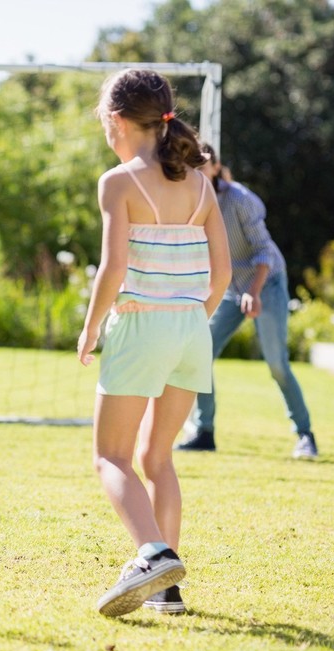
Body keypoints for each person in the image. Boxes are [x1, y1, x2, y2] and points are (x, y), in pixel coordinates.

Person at [77, 69, 231, 617]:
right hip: (193, 330)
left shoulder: (117, 182)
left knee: (110, 456)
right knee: (158, 457)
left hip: (142, 328)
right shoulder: (201, 184)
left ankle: (152, 554)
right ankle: (167, 588)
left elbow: (113, 267)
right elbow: (223, 273)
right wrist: (190, 318)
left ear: (116, 120)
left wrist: (91, 328)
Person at [175, 143, 318, 459]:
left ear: (215, 166)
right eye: (190, 163)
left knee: (277, 363)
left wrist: (253, 292)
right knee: (199, 352)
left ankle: (305, 436)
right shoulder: (187, 200)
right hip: (230, 287)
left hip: (266, 282)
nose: (196, 168)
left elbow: (264, 251)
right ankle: (204, 432)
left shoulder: (239, 199)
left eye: (203, 163)